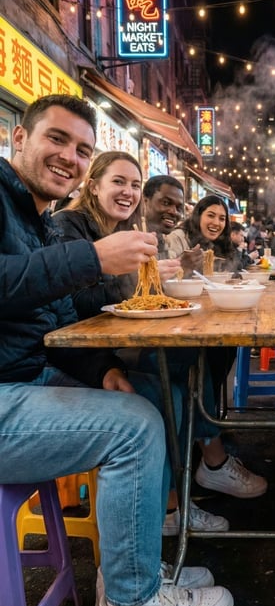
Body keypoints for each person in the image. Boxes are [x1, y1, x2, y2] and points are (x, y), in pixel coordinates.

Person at [0, 94, 233, 606]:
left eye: (82, 148)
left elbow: (50, 322)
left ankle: (135, 568)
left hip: (29, 377)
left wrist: (102, 370)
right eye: (56, 139)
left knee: (152, 396)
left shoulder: (37, 221)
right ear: (18, 140)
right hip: (9, 393)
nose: (69, 157)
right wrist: (95, 259)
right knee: (135, 426)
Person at [52, 153, 231, 533]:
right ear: (94, 184)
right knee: (165, 386)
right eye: (119, 182)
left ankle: (189, 483)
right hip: (75, 355)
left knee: (187, 366)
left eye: (134, 184)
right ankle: (173, 502)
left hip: (103, 346)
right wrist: (136, 279)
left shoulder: (121, 228)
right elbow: (74, 302)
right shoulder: (67, 226)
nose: (128, 192)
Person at [166, 195, 268, 498]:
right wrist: (183, 266)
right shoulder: (179, 238)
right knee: (196, 357)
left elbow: (241, 268)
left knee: (222, 351)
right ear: (198, 215)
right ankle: (210, 455)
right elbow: (169, 281)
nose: (216, 223)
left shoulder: (224, 246)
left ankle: (209, 430)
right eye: (211, 215)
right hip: (182, 319)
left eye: (222, 219)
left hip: (210, 314)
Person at [143, 174, 203, 276]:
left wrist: (184, 266)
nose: (174, 212)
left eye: (179, 208)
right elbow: (125, 288)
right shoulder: (130, 236)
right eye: (166, 203)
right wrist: (180, 266)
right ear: (145, 202)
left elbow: (163, 284)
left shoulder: (161, 239)